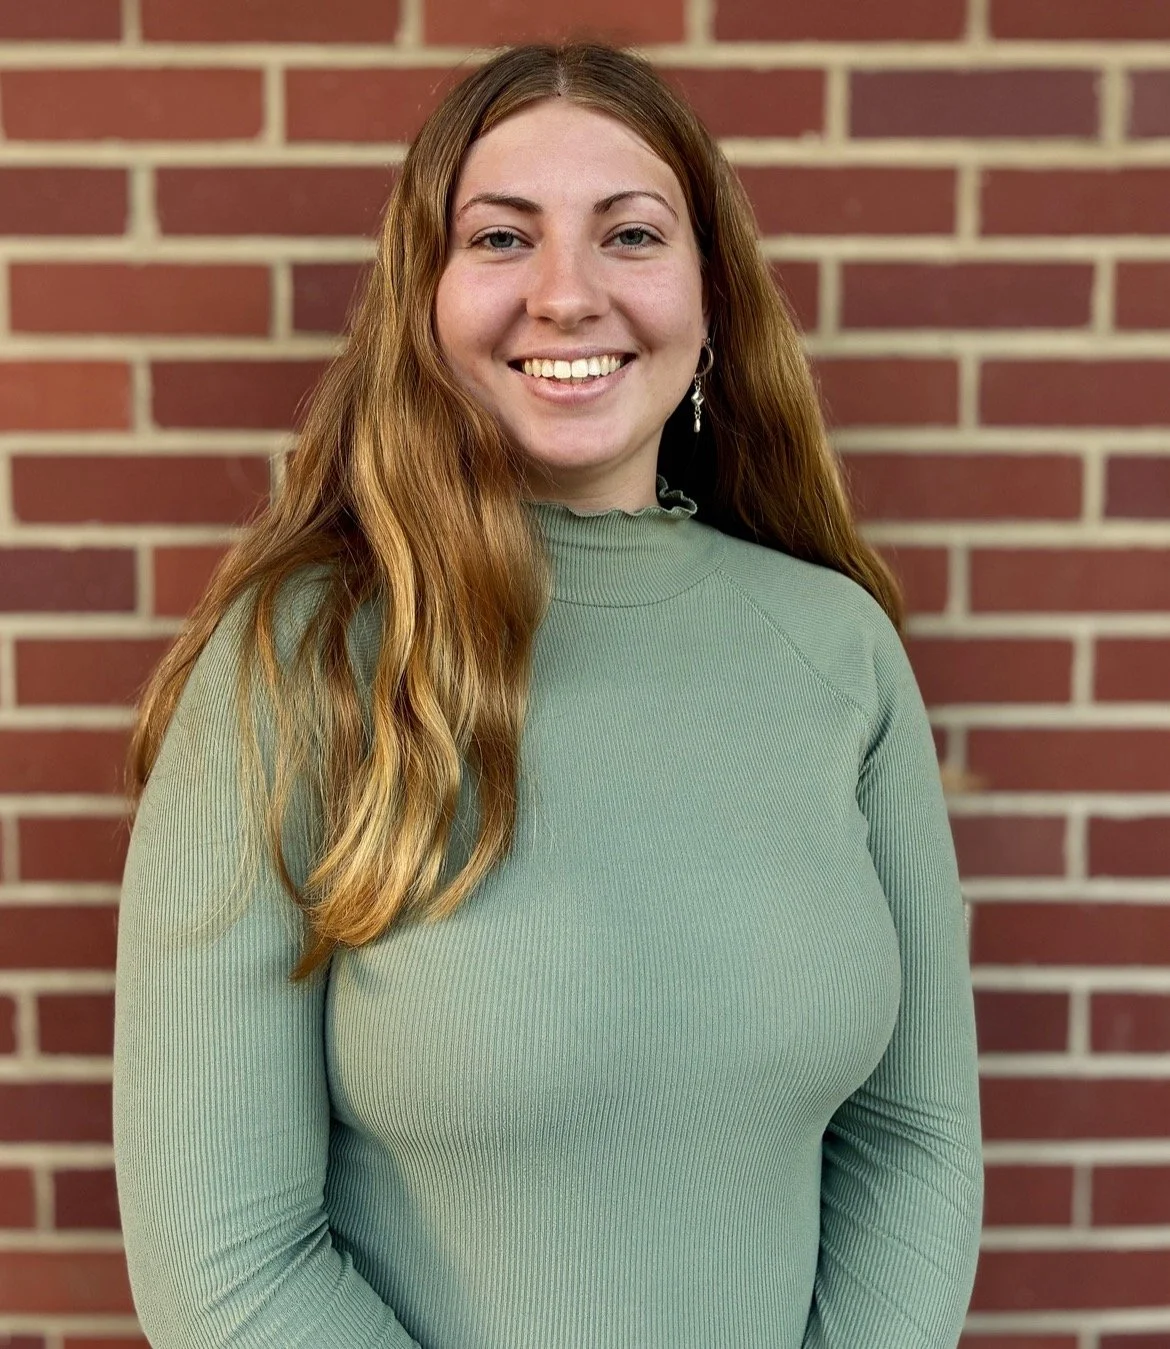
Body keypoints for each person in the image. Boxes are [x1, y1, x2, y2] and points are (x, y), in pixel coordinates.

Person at [113, 40, 984, 1349]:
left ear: (710, 305)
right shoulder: (295, 657)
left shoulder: (835, 650)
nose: (565, 294)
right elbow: (221, 1254)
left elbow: (913, 1138)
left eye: (629, 235)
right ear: (425, 299)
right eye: (502, 239)